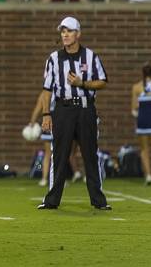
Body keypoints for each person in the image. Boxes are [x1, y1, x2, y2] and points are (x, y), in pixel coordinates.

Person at [39, 17, 111, 210]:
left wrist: (83, 83)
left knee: (90, 154)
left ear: (78, 34)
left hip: (86, 108)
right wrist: (46, 114)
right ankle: (51, 200)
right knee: (59, 154)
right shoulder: (53, 59)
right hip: (63, 109)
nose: (65, 34)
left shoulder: (91, 56)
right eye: (62, 31)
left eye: (69, 31)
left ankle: (99, 200)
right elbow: (46, 90)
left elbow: (103, 81)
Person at [29, 91, 53, 187]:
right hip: (53, 124)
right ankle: (53, 178)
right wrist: (32, 123)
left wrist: (32, 123)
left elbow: (37, 109)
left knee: (48, 154)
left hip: (51, 124)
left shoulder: (44, 93)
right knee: (59, 154)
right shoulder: (62, 91)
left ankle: (44, 179)